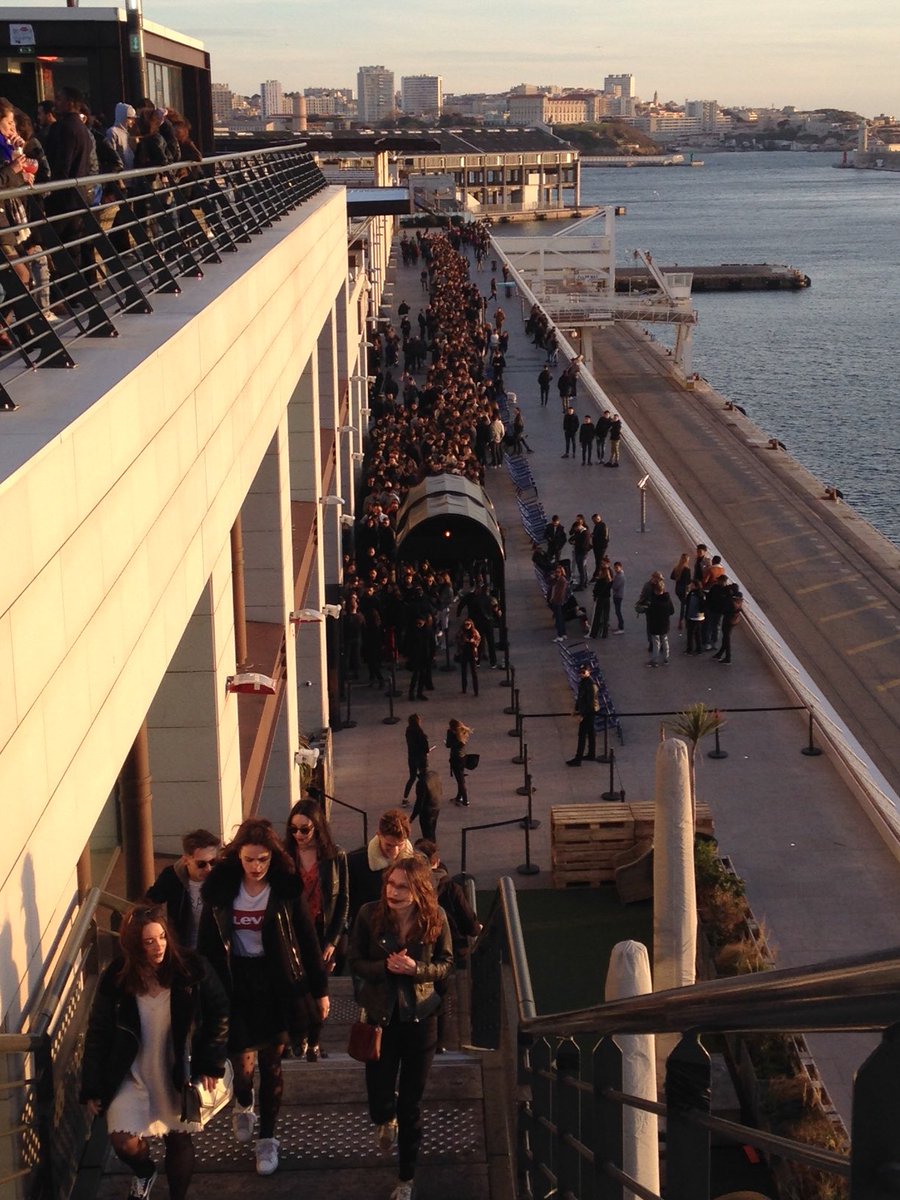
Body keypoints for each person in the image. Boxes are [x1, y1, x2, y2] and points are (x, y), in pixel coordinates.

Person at [199, 819, 328, 1176]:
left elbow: (307, 939)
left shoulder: (286, 889)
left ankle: (268, 1138)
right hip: (235, 982)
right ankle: (243, 1101)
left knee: (272, 1064)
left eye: (263, 860)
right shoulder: (220, 891)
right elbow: (207, 948)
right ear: (237, 857)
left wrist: (320, 990)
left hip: (276, 983)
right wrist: (203, 992)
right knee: (242, 1066)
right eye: (250, 859)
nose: (257, 867)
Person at [80, 905, 229, 1200]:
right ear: (135, 945)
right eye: (149, 941)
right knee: (122, 1140)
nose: (158, 945)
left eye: (161, 937)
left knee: (179, 1137)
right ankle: (145, 1172)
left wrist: (211, 1062)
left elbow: (219, 1012)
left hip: (176, 1067)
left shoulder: (191, 968)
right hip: (131, 1071)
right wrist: (92, 1086)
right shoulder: (117, 978)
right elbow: (98, 1032)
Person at [348, 855, 454, 1200]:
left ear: (420, 890)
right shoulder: (369, 915)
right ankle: (384, 1118)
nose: (392, 891)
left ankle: (406, 1178)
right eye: (390, 884)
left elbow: (446, 963)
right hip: (381, 1018)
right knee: (379, 1098)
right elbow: (356, 963)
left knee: (411, 1104)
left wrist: (416, 970)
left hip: (421, 1021)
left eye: (402, 886)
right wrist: (385, 968)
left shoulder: (436, 918)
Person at [284, 799, 349, 1059]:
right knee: (294, 986)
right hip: (292, 930)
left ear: (318, 827)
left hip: (322, 930)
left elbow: (343, 899)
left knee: (318, 987)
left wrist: (333, 939)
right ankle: (296, 1037)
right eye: (294, 829)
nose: (298, 835)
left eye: (304, 829)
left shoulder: (335, 856)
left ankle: (314, 1040)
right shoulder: (286, 856)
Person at [415, 838, 480, 1052]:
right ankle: (438, 1044)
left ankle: (417, 1038)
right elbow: (468, 921)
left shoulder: (412, 886)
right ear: (437, 861)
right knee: (440, 996)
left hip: (418, 948)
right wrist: (476, 928)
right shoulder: (451, 888)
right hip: (447, 948)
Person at [146, 829, 221, 948]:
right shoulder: (172, 876)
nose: (209, 868)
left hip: (215, 950)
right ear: (186, 860)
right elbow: (150, 901)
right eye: (201, 864)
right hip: (182, 949)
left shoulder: (222, 877)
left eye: (213, 862)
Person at [347, 808, 415, 928]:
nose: (395, 852)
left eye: (400, 845)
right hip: (369, 931)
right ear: (378, 835)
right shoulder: (355, 862)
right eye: (389, 845)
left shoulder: (417, 864)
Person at [567, 664, 599, 765]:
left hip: (589, 712)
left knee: (582, 735)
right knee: (590, 732)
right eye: (580, 672)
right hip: (587, 711)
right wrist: (576, 709)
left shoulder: (589, 684)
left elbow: (589, 702)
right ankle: (591, 754)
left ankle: (578, 759)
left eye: (583, 672)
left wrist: (582, 715)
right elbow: (580, 698)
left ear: (589, 672)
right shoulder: (584, 682)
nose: (581, 674)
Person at [403, 713, 431, 803]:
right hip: (421, 758)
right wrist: (426, 751)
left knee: (412, 777)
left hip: (411, 757)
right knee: (424, 777)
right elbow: (425, 748)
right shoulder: (420, 732)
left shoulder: (408, 731)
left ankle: (405, 798)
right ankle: (426, 796)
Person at [647, 580, 675, 666]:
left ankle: (655, 660)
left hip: (655, 625)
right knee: (665, 640)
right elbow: (672, 611)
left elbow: (649, 613)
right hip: (665, 624)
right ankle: (666, 658)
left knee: (656, 642)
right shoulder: (667, 599)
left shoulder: (654, 602)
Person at [411, 765, 443, 841]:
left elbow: (419, 803)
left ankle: (430, 850)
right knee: (432, 831)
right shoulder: (435, 774)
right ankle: (433, 847)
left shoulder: (422, 782)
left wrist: (411, 818)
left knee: (427, 834)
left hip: (427, 812)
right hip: (436, 807)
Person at [446, 718, 473, 806]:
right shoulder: (463, 733)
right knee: (460, 779)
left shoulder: (453, 735)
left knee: (460, 781)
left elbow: (448, 745)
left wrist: (449, 735)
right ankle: (459, 797)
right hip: (463, 758)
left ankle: (465, 800)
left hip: (455, 759)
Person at [456, 617, 481, 696]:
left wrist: (473, 641)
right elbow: (457, 640)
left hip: (472, 653)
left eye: (468, 624)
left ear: (471, 624)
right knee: (464, 672)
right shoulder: (461, 632)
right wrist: (464, 641)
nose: (467, 626)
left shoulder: (474, 632)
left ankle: (476, 691)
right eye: (465, 624)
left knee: (474, 673)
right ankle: (464, 688)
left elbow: (478, 640)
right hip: (464, 653)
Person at [589, 564, 613, 639]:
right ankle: (604, 633)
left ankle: (594, 633)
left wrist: (595, 595)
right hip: (607, 599)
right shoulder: (609, 580)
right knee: (606, 616)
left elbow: (596, 590)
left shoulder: (600, 580)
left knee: (597, 616)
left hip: (600, 599)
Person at [684, 579, 706, 654]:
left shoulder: (694, 594)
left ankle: (689, 650)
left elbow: (688, 604)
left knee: (690, 634)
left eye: (692, 585)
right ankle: (699, 649)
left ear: (695, 586)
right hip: (699, 617)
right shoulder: (701, 594)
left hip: (694, 617)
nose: (690, 586)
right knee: (697, 633)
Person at [670, 553, 692, 629]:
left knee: (683, 604)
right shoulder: (687, 569)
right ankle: (682, 620)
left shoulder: (677, 567)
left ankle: (682, 619)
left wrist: (678, 578)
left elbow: (672, 577)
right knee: (685, 605)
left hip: (677, 588)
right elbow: (688, 581)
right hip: (684, 589)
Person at [611, 561, 626, 633]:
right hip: (617, 595)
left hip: (618, 596)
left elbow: (615, 586)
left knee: (618, 611)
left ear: (620, 567)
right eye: (615, 568)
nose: (615, 569)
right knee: (617, 611)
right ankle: (619, 626)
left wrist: (612, 582)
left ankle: (621, 627)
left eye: (617, 568)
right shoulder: (618, 575)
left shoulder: (620, 576)